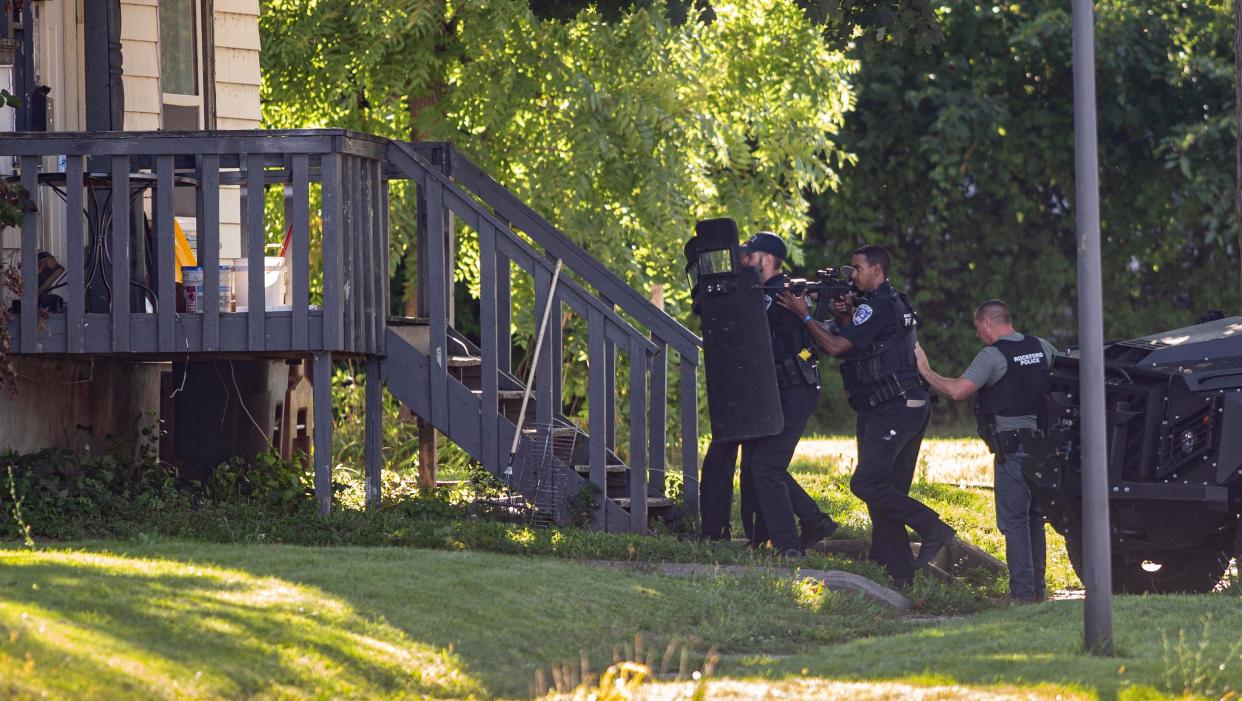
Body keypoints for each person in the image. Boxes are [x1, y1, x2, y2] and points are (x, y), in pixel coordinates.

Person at [778, 244, 954, 587]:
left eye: (857, 269)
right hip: (896, 406)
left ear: (878, 270)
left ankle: (933, 527)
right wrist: (844, 317)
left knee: (866, 484)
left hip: (895, 407)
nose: (852, 275)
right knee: (885, 495)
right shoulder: (884, 303)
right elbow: (861, 341)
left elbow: (837, 348)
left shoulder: (879, 305)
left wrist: (805, 315)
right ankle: (901, 577)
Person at [698, 232, 838, 555]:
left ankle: (789, 544)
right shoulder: (754, 291)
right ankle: (776, 532)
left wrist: (808, 304)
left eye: (750, 255)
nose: (743, 260)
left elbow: (814, 316)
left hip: (795, 388)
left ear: (767, 259)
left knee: (764, 465)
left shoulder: (788, 291)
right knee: (758, 464)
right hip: (769, 390)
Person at [913, 299, 1056, 602]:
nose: (978, 334)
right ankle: (1036, 591)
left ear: (988, 323)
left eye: (978, 327)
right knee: (1034, 518)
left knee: (1014, 522)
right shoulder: (1041, 347)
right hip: (1043, 449)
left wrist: (925, 370)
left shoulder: (992, 356)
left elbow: (957, 391)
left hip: (1011, 449)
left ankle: (1023, 594)